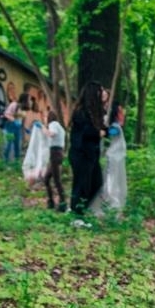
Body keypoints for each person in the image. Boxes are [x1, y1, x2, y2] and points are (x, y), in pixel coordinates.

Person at [68, 82, 107, 215]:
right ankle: (76, 214)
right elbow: (84, 133)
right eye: (101, 91)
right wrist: (98, 133)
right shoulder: (81, 113)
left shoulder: (96, 112)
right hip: (81, 155)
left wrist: (106, 131)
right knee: (81, 185)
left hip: (91, 156)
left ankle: (81, 209)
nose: (104, 93)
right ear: (94, 94)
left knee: (97, 183)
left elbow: (100, 129)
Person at [42, 109, 67, 212]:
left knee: (56, 180)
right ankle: (51, 201)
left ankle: (62, 203)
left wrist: (44, 130)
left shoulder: (53, 124)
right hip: (59, 152)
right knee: (47, 178)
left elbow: (52, 134)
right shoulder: (60, 127)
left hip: (55, 153)